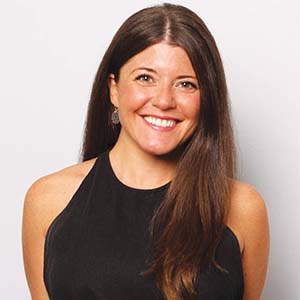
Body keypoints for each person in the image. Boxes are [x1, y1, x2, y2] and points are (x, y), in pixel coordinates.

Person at [22, 3, 270, 300]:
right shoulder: (49, 201)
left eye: (186, 84)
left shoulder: (243, 209)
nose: (164, 100)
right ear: (113, 89)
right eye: (145, 78)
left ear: (207, 100)